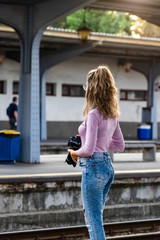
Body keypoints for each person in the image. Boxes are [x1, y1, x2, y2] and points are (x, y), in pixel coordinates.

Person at [68, 65, 125, 240]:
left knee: (93, 223)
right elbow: (119, 145)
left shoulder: (94, 114)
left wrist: (73, 153)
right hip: (106, 168)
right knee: (96, 218)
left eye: (87, 86)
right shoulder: (112, 114)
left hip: (92, 169)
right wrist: (101, 143)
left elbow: (88, 150)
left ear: (93, 88)